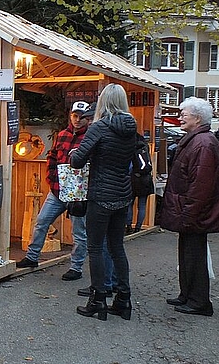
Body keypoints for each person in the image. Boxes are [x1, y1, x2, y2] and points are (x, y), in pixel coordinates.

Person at [70, 83, 137, 321]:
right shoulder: (132, 126)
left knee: (95, 248)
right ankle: (123, 300)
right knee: (117, 247)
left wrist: (72, 155)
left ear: (103, 102)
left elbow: (78, 160)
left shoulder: (99, 127)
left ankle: (98, 299)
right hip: (122, 194)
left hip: (101, 195)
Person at [160, 97, 219, 316]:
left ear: (196, 118)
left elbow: (201, 185)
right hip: (190, 210)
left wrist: (190, 213)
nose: (180, 118)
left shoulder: (202, 143)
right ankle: (188, 295)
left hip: (195, 212)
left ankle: (199, 301)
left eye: (183, 115)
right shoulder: (198, 140)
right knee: (188, 254)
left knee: (194, 256)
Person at [16, 101, 90, 282]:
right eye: (75, 116)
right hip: (57, 191)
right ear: (70, 116)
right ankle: (32, 257)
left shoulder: (91, 137)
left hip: (79, 194)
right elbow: (52, 156)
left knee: (79, 232)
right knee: (41, 221)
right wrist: (51, 179)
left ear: (88, 119)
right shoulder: (62, 135)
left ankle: (76, 267)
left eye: (81, 117)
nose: (77, 120)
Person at [126, 132, 154, 234]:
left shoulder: (130, 148)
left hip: (133, 179)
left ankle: (128, 226)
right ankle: (138, 227)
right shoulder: (144, 147)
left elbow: (129, 167)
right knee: (142, 205)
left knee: (130, 204)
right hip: (145, 179)